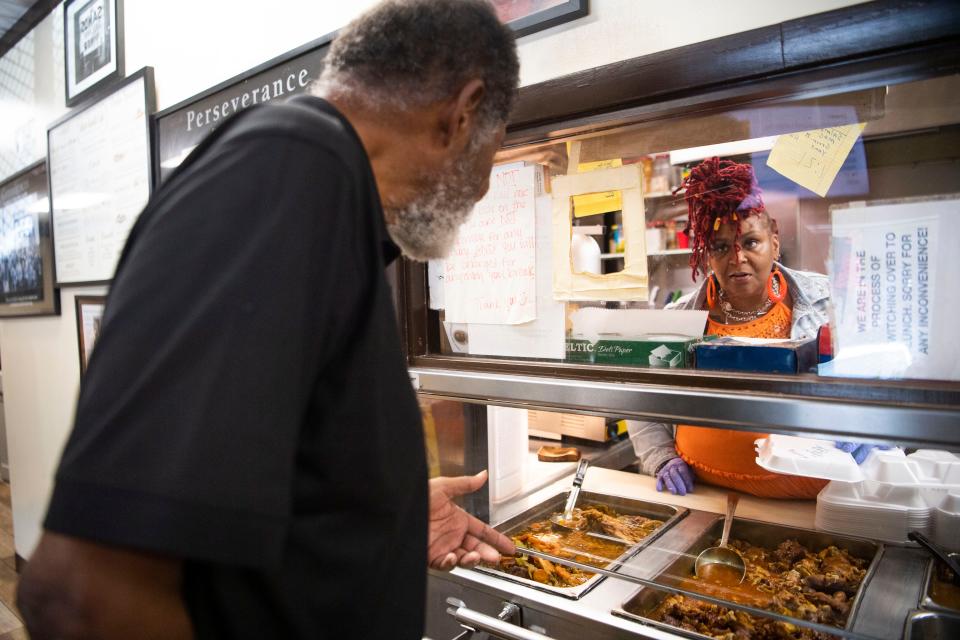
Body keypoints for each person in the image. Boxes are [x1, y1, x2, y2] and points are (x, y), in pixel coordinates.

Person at [17, 1, 518, 638]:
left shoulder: (333, 206)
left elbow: (248, 478)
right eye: (494, 155)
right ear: (462, 113)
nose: (481, 188)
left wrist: (382, 518)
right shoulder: (289, 173)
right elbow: (83, 594)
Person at [629, 157, 885, 499]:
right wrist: (660, 458)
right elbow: (639, 399)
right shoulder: (677, 319)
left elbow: (886, 376)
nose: (737, 259)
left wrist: (867, 432)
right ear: (706, 255)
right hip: (707, 502)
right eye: (721, 247)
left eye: (750, 242)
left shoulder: (829, 302)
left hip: (816, 505)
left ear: (774, 241)